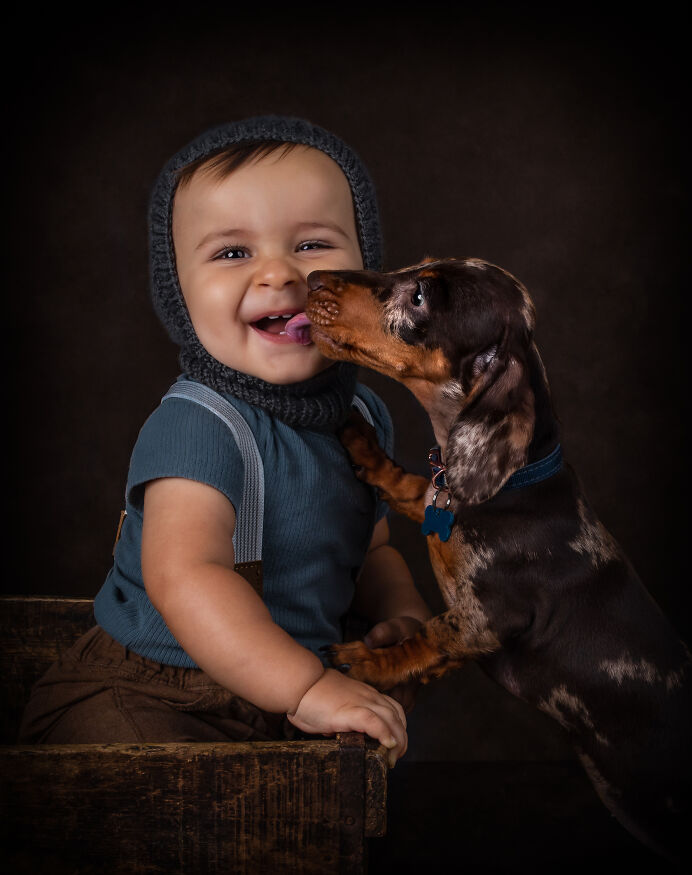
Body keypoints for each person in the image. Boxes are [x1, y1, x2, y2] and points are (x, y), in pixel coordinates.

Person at [19, 115, 431, 764]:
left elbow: (370, 549)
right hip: (157, 688)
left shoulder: (363, 414)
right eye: (233, 252)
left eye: (314, 244)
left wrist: (402, 610)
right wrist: (304, 686)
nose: (279, 273)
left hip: (291, 687)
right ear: (180, 293)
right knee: (142, 784)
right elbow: (187, 575)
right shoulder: (200, 425)